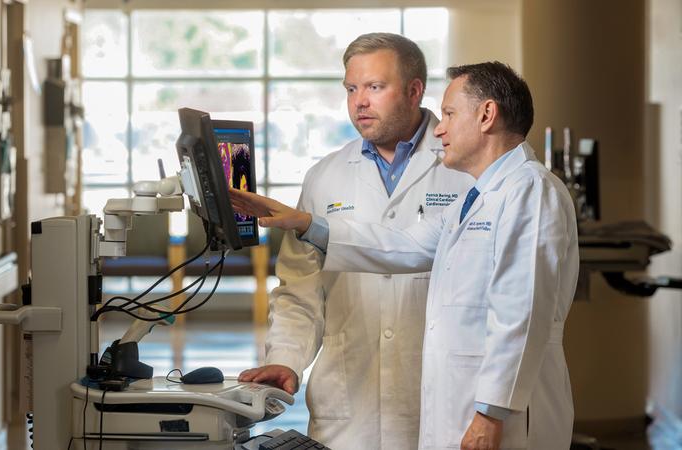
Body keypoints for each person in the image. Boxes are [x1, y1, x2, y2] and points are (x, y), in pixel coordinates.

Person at [231, 61, 577, 450]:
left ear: (486, 115)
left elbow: (521, 312)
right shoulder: (477, 197)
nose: (440, 127)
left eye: (448, 114)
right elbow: (401, 244)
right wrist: (306, 223)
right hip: (461, 405)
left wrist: (491, 412)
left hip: (504, 416)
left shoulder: (530, 190)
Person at [237, 33, 472, 449]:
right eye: (351, 88)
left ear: (415, 90)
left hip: (440, 395)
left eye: (375, 87)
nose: (359, 102)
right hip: (348, 402)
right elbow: (299, 291)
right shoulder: (325, 177)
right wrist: (285, 359)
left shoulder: (464, 167)